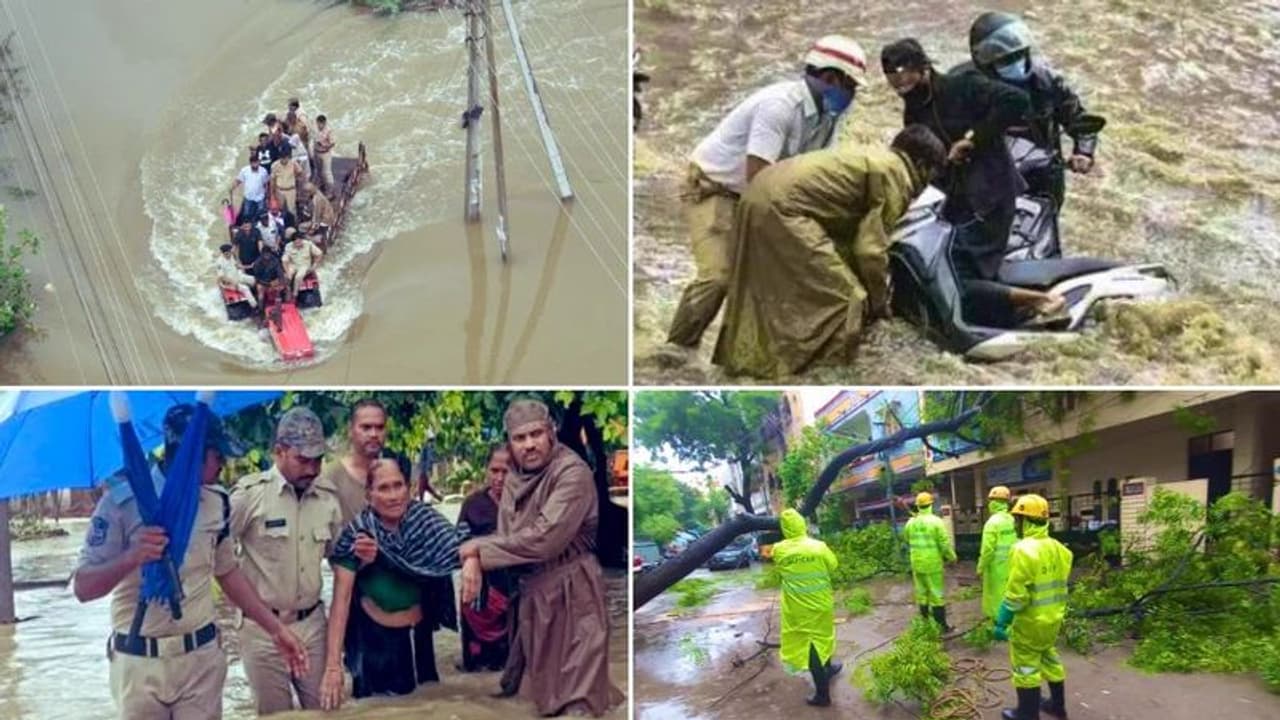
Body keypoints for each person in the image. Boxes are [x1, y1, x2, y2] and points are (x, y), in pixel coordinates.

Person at [73, 403, 309, 720]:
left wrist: (276, 629)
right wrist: (132, 557)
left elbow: (228, 574)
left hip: (200, 660)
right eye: (217, 456)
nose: (223, 465)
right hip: (139, 663)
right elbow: (84, 588)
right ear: (191, 455)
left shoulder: (216, 503)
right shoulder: (123, 503)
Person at [664, 35, 869, 357]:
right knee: (719, 278)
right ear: (830, 78)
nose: (852, 95)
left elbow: (814, 172)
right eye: (851, 87)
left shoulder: (828, 117)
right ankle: (676, 351)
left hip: (763, 195)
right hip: (716, 191)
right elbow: (759, 180)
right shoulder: (779, 108)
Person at [711, 124, 946, 378]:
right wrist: (879, 304)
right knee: (847, 297)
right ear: (921, 164)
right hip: (783, 210)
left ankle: (749, 367)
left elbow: (848, 236)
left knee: (777, 292)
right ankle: (820, 374)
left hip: (757, 194)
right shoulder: (896, 176)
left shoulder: (874, 157)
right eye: (933, 172)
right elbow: (869, 251)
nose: (930, 181)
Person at [881, 38, 1065, 329]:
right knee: (941, 265)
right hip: (954, 199)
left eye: (907, 80)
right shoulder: (913, 113)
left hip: (991, 195)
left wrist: (972, 139)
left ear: (924, 67)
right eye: (895, 85)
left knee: (962, 276)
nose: (903, 89)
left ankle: (1040, 303)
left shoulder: (963, 86)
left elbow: (1015, 101)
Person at [459, 399, 624, 716]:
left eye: (536, 434)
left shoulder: (572, 474)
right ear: (510, 443)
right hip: (531, 599)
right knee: (538, 700)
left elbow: (543, 540)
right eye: (519, 438)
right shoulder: (514, 477)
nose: (529, 445)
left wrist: (476, 551)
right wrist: (472, 558)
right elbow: (510, 537)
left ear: (552, 433)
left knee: (579, 702)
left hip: (574, 596)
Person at [321, 458, 463, 709]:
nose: (393, 495)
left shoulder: (425, 521)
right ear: (369, 494)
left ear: (408, 488)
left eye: (398, 486)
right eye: (383, 488)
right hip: (376, 645)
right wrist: (332, 666)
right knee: (379, 710)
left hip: (420, 639)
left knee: (429, 705)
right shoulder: (359, 534)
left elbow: (461, 545)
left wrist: (471, 559)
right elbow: (340, 601)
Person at [229, 406, 344, 715]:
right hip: (262, 630)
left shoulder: (328, 500)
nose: (313, 469)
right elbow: (218, 560)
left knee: (326, 711)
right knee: (275, 715)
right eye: (303, 460)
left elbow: (341, 562)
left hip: (312, 626)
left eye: (318, 460)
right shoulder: (248, 497)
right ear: (279, 452)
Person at [962, 11, 1097, 212]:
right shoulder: (967, 87)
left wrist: (1083, 152)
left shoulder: (1048, 82)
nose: (1015, 64)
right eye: (1005, 60)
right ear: (986, 65)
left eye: (1019, 55)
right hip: (988, 175)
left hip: (1043, 176)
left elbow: (1079, 119)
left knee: (1044, 229)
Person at [993, 494, 1073, 720]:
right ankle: (1057, 707)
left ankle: (1027, 714)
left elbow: (1016, 596)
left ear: (1025, 520)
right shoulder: (1060, 549)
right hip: (1053, 619)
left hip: (1029, 623)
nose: (1016, 524)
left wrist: (1002, 622)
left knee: (1026, 666)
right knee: (1049, 658)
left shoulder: (1022, 549)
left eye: (1018, 519)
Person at [773, 509, 841, 707]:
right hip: (821, 603)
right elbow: (833, 565)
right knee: (823, 637)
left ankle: (822, 694)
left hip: (798, 608)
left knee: (810, 645)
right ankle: (826, 673)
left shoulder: (779, 549)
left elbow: (780, 570)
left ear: (784, 528)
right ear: (802, 524)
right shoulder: (818, 547)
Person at [456, 445, 514, 672]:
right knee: (478, 669)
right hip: (480, 593)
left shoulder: (527, 503)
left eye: (506, 472)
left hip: (515, 590)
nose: (499, 478)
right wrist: (472, 556)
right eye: (494, 471)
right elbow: (458, 544)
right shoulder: (473, 504)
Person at [318, 399, 388, 524]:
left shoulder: (392, 475)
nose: (374, 434)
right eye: (366, 427)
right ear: (350, 430)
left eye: (380, 427)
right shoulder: (329, 477)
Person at [903, 491, 957, 632]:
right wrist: (952, 557)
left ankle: (925, 624)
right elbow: (944, 544)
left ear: (918, 506)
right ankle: (942, 626)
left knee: (922, 594)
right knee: (936, 594)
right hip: (932, 564)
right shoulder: (936, 522)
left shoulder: (910, 523)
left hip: (916, 563)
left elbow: (907, 539)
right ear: (930, 505)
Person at [977, 485, 1017, 621]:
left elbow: (987, 550)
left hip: (996, 567)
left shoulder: (991, 523)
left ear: (993, 503)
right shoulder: (1012, 520)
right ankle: (1011, 619)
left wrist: (980, 567)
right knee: (1010, 592)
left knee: (996, 594)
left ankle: (999, 622)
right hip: (1012, 564)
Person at [283, 228, 323, 302]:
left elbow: (319, 254)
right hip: (293, 264)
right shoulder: (288, 246)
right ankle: (287, 291)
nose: (298, 243)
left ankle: (295, 295)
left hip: (304, 265)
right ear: (293, 242)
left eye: (299, 241)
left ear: (302, 240)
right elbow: (284, 260)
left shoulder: (309, 244)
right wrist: (287, 271)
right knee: (287, 276)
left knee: (298, 277)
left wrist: (314, 265)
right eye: (295, 242)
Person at [232, 154, 271, 226]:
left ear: (259, 162)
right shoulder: (244, 170)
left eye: (256, 162)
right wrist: (233, 187)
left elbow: (266, 184)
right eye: (253, 163)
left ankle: (258, 227)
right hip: (248, 197)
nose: (255, 164)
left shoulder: (263, 171)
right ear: (250, 163)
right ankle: (246, 226)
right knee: (246, 214)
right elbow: (238, 180)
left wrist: (267, 194)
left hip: (260, 197)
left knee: (260, 214)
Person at [217, 243, 258, 307]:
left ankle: (257, 294)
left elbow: (237, 266)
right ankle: (255, 306)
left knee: (254, 279)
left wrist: (249, 266)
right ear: (225, 253)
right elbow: (222, 277)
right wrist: (234, 283)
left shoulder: (231, 256)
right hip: (228, 283)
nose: (231, 253)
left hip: (237, 276)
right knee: (245, 289)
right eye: (229, 252)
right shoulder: (220, 262)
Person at [413, 429, 445, 503]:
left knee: (422, 485)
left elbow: (429, 458)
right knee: (425, 486)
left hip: (424, 469)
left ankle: (421, 501)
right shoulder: (426, 445)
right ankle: (439, 498)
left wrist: (428, 470)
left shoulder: (428, 445)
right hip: (423, 468)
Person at [271, 149, 305, 217]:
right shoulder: (274, 165)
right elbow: (273, 179)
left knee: (292, 209)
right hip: (279, 190)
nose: (284, 160)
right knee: (281, 209)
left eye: (285, 158)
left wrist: (299, 189)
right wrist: (273, 193)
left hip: (291, 190)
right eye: (282, 158)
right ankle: (283, 225)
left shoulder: (293, 163)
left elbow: (301, 174)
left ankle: (294, 225)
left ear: (288, 157)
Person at [313, 114, 335, 193]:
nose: (320, 125)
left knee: (327, 172)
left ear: (324, 123)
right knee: (318, 170)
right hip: (316, 151)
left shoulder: (329, 130)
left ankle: (331, 190)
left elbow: (332, 143)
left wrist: (325, 145)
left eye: (321, 123)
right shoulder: (314, 128)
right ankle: (321, 183)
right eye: (318, 123)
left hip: (325, 153)